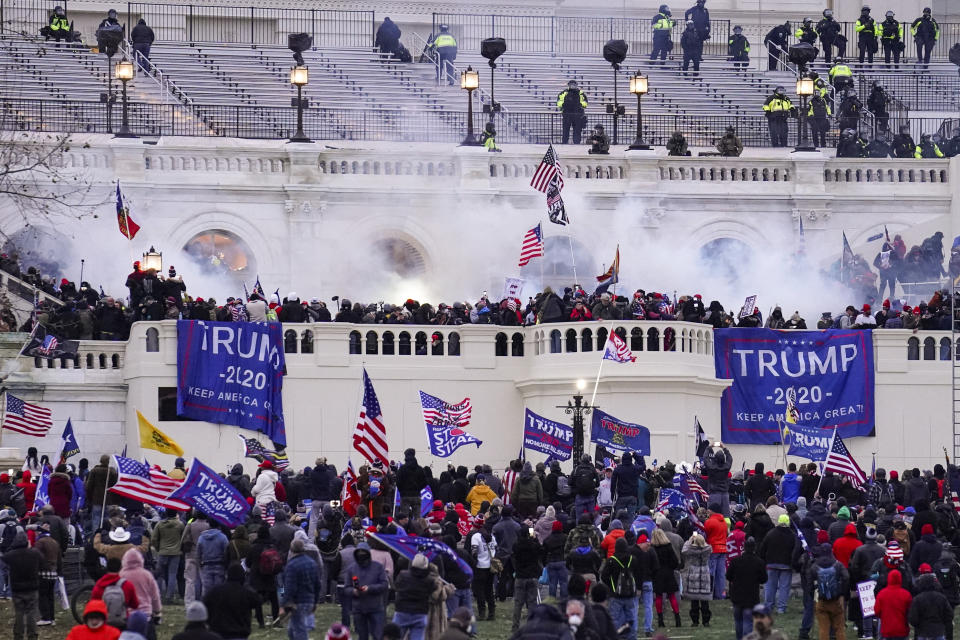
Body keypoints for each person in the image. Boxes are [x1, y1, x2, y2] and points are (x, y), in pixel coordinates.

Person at [203, 563, 261, 640]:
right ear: (242, 576)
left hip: (217, 633)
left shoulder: (215, 591)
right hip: (239, 634)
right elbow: (258, 600)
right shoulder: (245, 593)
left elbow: (204, 604)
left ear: (227, 575)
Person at [343, 543, 388, 640]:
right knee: (362, 636)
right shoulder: (351, 569)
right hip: (359, 608)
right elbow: (346, 587)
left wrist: (370, 588)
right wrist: (353, 591)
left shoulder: (378, 567)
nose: (361, 555)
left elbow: (384, 585)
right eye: (359, 553)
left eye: (363, 552)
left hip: (375, 608)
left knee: (378, 635)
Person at [601, 538, 641, 640]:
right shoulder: (633, 559)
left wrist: (612, 586)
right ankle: (631, 637)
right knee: (631, 618)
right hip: (630, 594)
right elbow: (638, 575)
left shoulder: (611, 560)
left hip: (615, 595)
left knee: (614, 619)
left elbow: (604, 576)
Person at [727, 537, 767, 640]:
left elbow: (728, 576)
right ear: (754, 548)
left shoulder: (735, 561)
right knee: (748, 621)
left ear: (744, 548)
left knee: (738, 621)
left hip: (737, 596)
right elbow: (764, 579)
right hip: (751, 597)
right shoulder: (759, 562)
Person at [5, 530, 42, 640]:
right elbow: (43, 561)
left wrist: (13, 547)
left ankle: (18, 635)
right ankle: (32, 635)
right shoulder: (34, 553)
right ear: (27, 542)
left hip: (17, 588)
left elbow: (4, 556)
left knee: (19, 612)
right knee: (31, 612)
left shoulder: (11, 555)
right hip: (32, 587)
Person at [282, 538, 322, 640]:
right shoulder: (312, 563)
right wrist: (316, 601)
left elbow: (290, 587)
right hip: (309, 600)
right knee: (291, 630)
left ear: (291, 550)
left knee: (300, 631)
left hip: (298, 602)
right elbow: (317, 584)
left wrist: (284, 604)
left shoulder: (291, 565)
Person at [392, 553, 436, 640]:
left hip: (402, 611)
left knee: (395, 636)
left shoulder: (403, 575)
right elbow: (432, 591)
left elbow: (397, 586)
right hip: (420, 612)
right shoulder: (429, 581)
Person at [651, 528, 681, 628]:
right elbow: (675, 561)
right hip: (668, 573)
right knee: (672, 596)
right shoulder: (668, 547)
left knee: (659, 597)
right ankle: (677, 618)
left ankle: (660, 620)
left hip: (658, 574)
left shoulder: (653, 548)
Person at [557, 80, 588, 145]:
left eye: (574, 84)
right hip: (567, 114)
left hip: (578, 115)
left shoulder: (581, 93)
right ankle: (564, 143)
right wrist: (563, 104)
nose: (572, 86)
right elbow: (559, 102)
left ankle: (577, 143)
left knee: (577, 130)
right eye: (571, 84)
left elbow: (585, 103)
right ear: (568, 85)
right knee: (565, 130)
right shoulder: (564, 93)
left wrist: (580, 104)